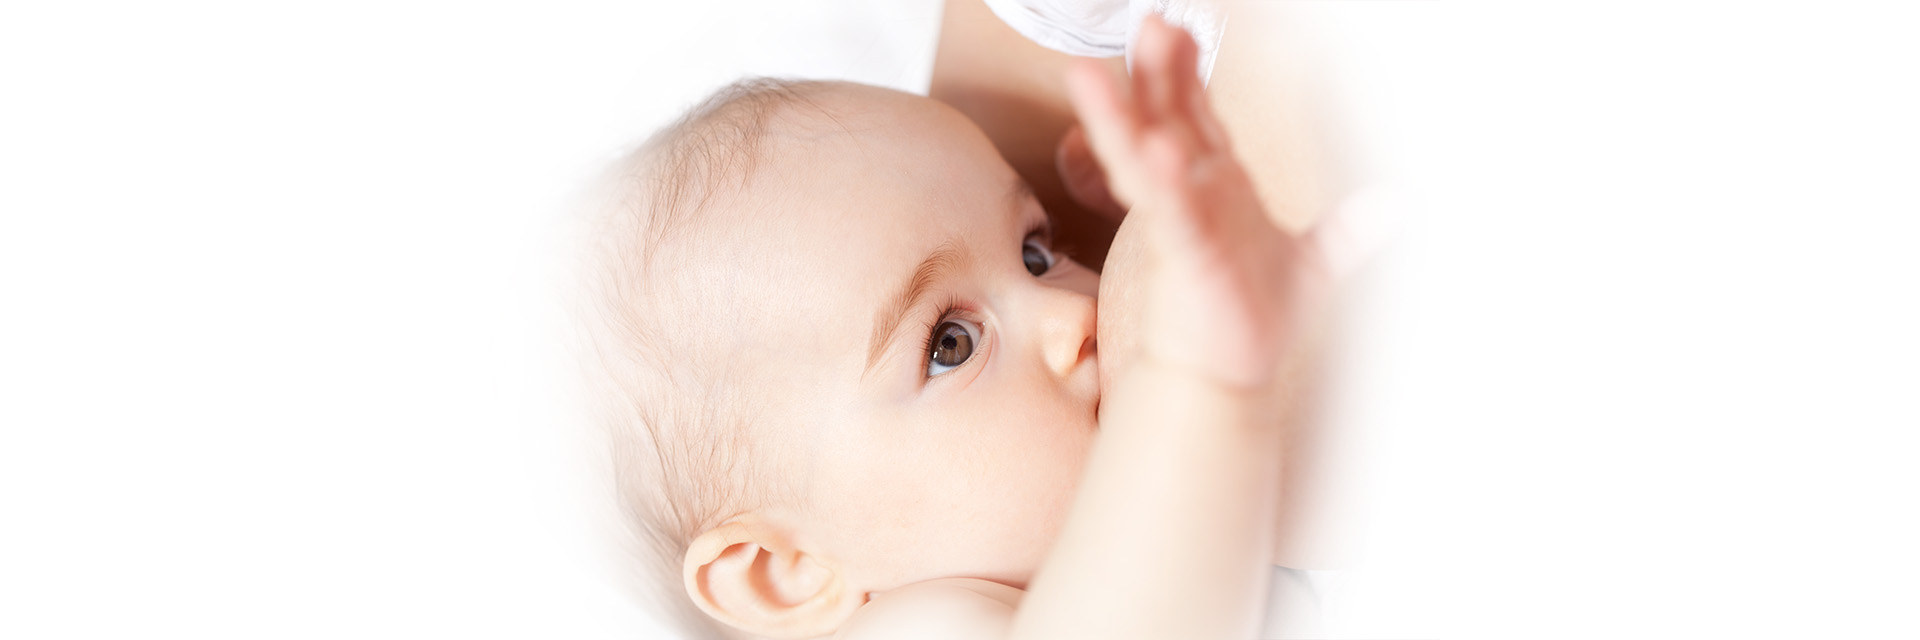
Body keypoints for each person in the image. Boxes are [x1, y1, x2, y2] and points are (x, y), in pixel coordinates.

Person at [580, 15, 1330, 640]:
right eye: (950, 345)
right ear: (785, 572)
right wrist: (1200, 381)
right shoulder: (925, 622)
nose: (1072, 314)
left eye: (1037, 252)